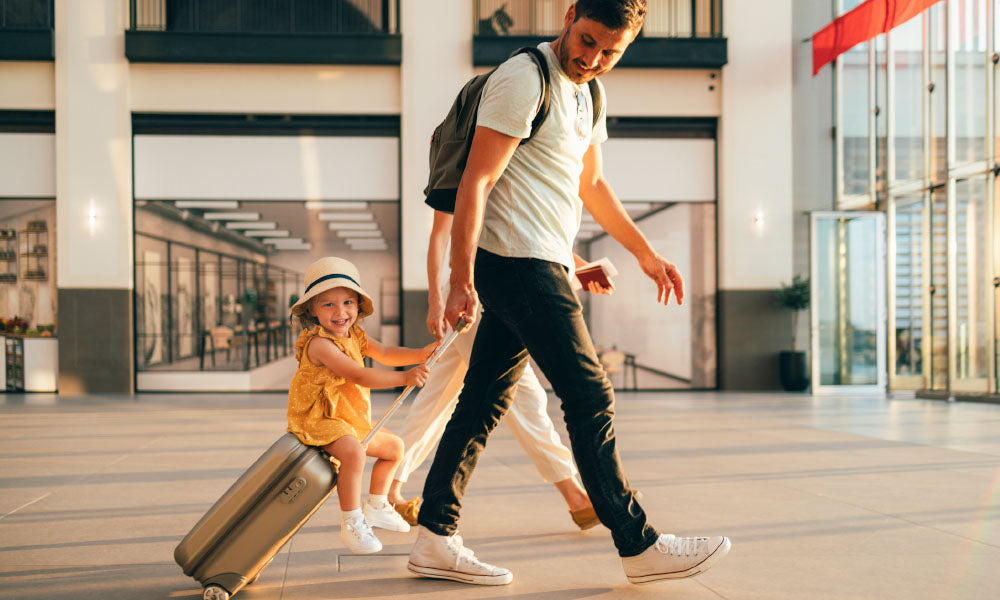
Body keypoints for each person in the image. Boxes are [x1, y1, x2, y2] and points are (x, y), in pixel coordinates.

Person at [406, 0, 731, 586]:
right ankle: (637, 543)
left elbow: (591, 184)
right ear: (569, 16)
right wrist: (461, 280)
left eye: (611, 51)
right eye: (586, 41)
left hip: (541, 262)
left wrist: (643, 254)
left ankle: (433, 535)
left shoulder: (589, 94)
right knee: (588, 394)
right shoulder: (523, 79)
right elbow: (478, 182)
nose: (592, 58)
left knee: (482, 401)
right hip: (516, 265)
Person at [386, 209, 605, 531]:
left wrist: (580, 266)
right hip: (472, 298)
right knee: (523, 396)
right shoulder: (467, 172)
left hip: (499, 294)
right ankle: (577, 498)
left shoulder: (512, 176)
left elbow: (528, 233)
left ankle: (387, 490)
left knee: (436, 400)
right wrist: (434, 299)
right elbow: (439, 237)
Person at [287, 256, 437, 555]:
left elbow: (386, 353)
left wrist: (420, 354)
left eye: (347, 303)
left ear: (357, 306)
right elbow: (358, 375)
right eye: (328, 304)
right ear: (312, 311)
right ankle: (351, 521)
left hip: (346, 418)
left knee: (394, 448)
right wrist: (405, 377)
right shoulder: (320, 344)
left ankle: (378, 504)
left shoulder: (355, 335)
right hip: (319, 418)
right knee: (354, 452)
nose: (340, 311)